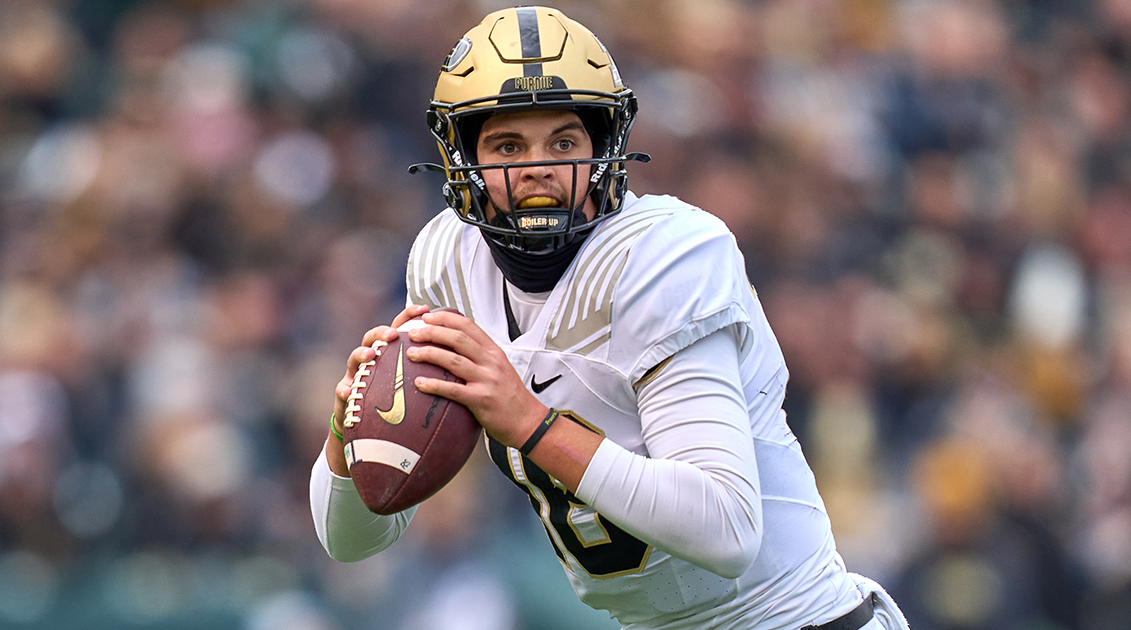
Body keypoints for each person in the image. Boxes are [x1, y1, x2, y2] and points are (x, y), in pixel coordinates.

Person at [310, 7, 909, 630]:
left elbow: (728, 528)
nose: (538, 166)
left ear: (605, 149)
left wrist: (532, 424)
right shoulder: (446, 264)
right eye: (508, 144)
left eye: (564, 142)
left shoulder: (663, 255)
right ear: (462, 160)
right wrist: (345, 425)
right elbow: (351, 541)